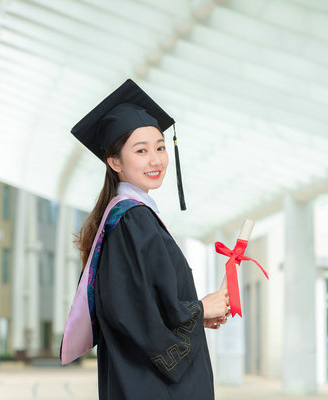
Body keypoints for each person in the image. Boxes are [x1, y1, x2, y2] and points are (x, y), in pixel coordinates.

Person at [61, 79, 230, 400]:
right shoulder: (132, 219)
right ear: (115, 162)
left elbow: (145, 301)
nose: (156, 160)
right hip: (152, 386)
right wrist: (197, 310)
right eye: (141, 150)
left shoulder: (128, 217)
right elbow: (132, 311)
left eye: (160, 146)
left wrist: (195, 318)